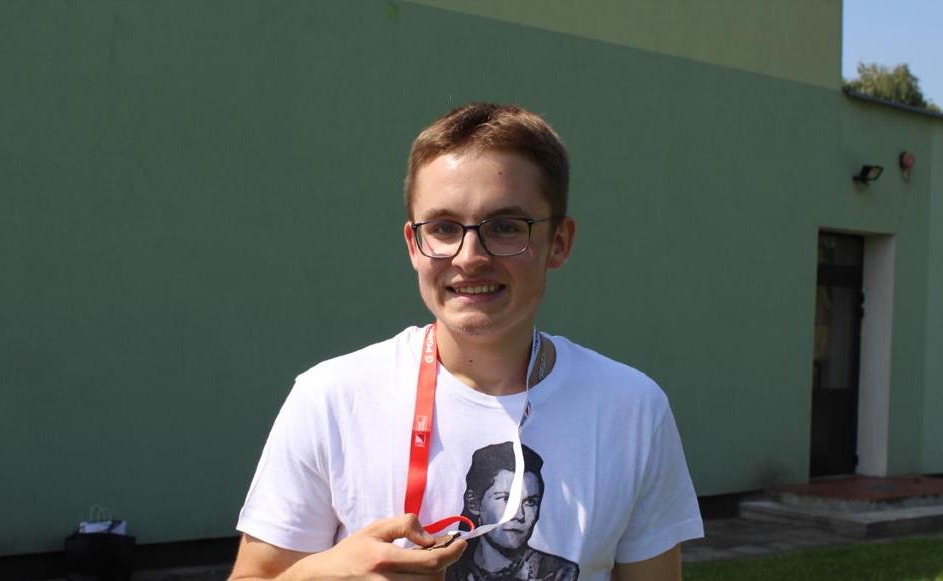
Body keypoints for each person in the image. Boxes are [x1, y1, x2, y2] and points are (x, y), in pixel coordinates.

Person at [230, 103, 703, 580]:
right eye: (443, 228)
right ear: (414, 245)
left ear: (559, 242)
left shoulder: (631, 408)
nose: (470, 257)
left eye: (506, 227)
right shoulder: (332, 399)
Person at [447, 442, 578, 581]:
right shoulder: (447, 568)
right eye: (506, 499)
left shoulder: (560, 573)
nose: (520, 515)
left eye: (530, 502)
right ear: (474, 503)